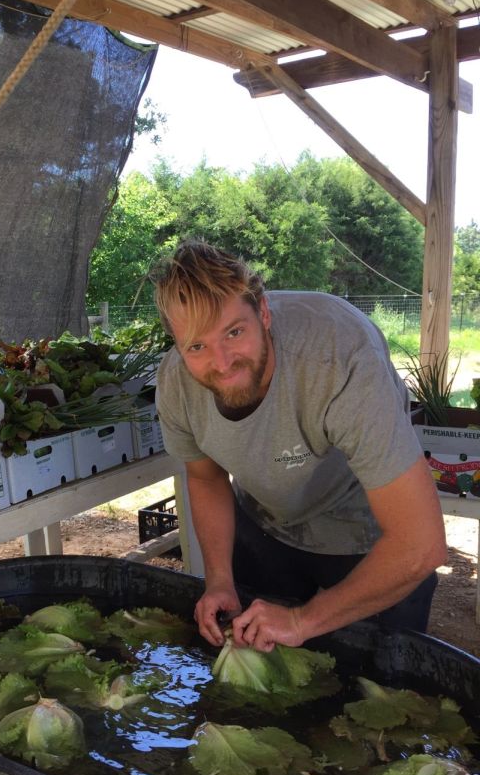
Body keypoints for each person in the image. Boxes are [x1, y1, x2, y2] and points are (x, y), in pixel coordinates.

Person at [151, 240, 447, 653]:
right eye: (196, 346)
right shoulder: (176, 384)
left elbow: (419, 545)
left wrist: (301, 620)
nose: (221, 362)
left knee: (380, 675)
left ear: (263, 313)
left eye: (234, 332)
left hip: (368, 534)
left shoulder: (339, 359)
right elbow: (205, 478)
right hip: (265, 524)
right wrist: (219, 580)